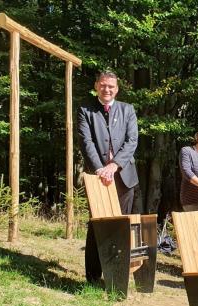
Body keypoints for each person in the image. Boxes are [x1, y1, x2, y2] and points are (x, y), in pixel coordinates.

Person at [78, 71, 139, 284]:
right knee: (97, 225)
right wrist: (100, 169)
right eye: (103, 85)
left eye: (111, 86)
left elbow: (132, 141)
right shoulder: (85, 109)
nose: (107, 89)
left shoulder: (127, 109)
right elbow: (86, 142)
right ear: (96, 86)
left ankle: (116, 277)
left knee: (120, 227)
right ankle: (93, 277)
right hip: (98, 178)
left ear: (117, 89)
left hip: (124, 176)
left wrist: (114, 166)